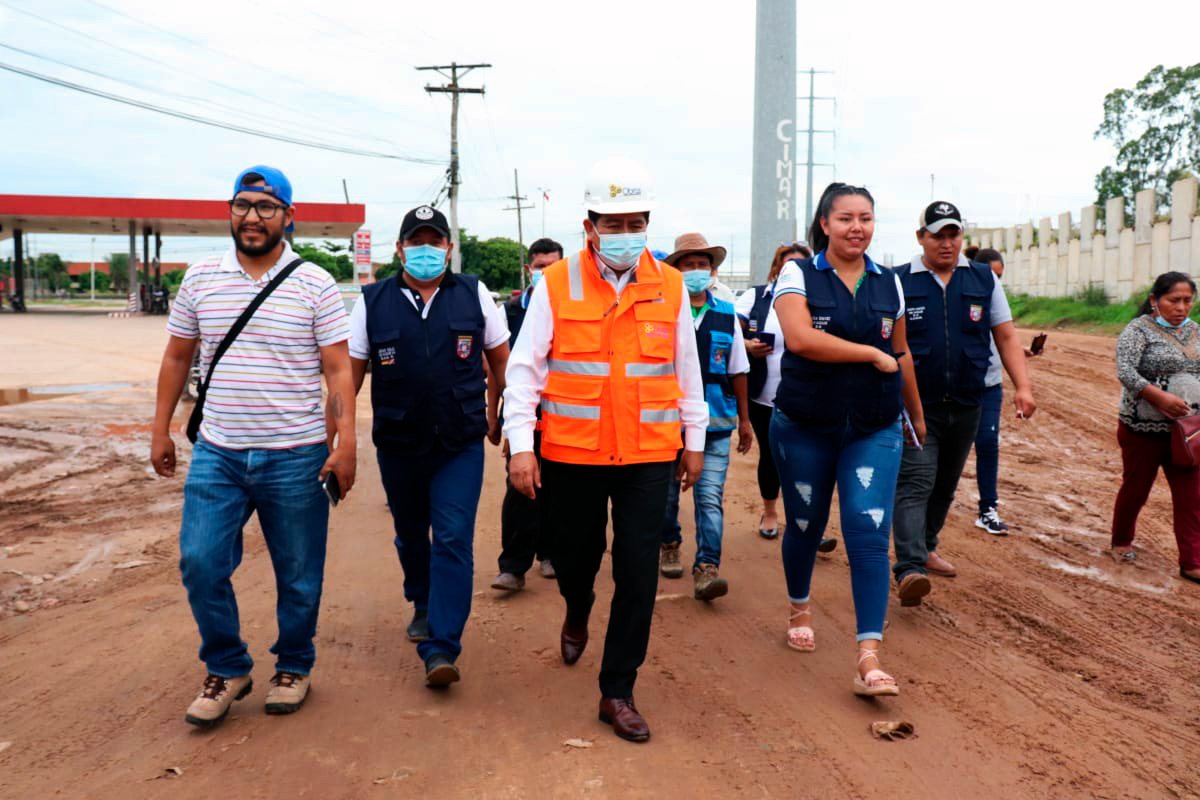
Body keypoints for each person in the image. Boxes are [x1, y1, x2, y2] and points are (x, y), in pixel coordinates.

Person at [504, 157, 708, 743]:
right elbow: (524, 371)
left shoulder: (668, 284)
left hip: (647, 453)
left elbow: (685, 370)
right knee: (576, 557)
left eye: (635, 221)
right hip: (573, 452)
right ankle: (576, 605)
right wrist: (523, 447)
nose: (624, 234)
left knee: (638, 571)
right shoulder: (556, 281)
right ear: (589, 225)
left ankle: (617, 689)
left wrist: (693, 440)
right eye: (612, 223)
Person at [150, 166, 356, 726]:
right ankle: (227, 665)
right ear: (230, 211)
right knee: (200, 561)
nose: (252, 218)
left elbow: (338, 368)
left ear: (289, 217)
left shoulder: (315, 283)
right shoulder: (200, 278)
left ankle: (294, 664)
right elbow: (177, 355)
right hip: (218, 451)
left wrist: (347, 442)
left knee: (298, 573)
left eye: (266, 208)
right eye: (242, 206)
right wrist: (161, 427)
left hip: (296, 454)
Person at [345, 205, 510, 688]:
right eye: (416, 242)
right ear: (399, 250)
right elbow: (347, 376)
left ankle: (442, 646)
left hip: (459, 441)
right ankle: (421, 597)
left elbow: (502, 363)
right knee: (411, 534)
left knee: (454, 536)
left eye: (434, 242)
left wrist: (505, 417)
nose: (426, 250)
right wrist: (339, 438)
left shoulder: (473, 293)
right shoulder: (372, 302)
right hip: (399, 444)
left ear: (448, 248)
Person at [770, 182, 925, 697]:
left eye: (866, 218)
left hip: (874, 425)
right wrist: (869, 355)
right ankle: (798, 606)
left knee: (865, 527)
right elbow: (799, 339)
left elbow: (900, 354)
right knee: (807, 524)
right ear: (824, 224)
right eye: (844, 219)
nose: (856, 227)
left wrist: (915, 414)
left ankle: (868, 655)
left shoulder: (890, 284)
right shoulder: (798, 273)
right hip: (805, 423)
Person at [892, 202, 1036, 606]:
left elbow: (1006, 337)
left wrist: (1022, 386)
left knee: (945, 484)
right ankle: (909, 569)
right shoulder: (899, 282)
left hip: (969, 401)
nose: (946, 242)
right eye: (937, 234)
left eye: (953, 234)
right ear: (921, 237)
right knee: (916, 482)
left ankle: (927, 546)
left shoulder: (983, 281)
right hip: (917, 406)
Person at [657, 232, 753, 601]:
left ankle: (707, 567)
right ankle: (669, 543)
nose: (697, 271)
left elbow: (738, 370)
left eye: (703, 265)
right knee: (666, 496)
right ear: (676, 270)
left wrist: (744, 421)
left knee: (709, 497)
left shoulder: (727, 316)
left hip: (716, 422)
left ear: (712, 271)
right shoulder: (662, 311)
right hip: (668, 422)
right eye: (689, 265)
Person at [736, 242, 835, 554]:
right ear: (777, 268)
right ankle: (769, 513)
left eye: (801, 265)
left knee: (811, 463)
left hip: (812, 396)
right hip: (765, 397)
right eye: (788, 264)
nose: (794, 270)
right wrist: (747, 345)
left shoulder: (820, 300)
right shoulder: (756, 296)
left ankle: (808, 524)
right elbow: (730, 330)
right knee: (773, 457)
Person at [1112, 272, 1200, 582]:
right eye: (1173, 300)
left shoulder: (1196, 332)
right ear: (1154, 300)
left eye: (1188, 300)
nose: (1181, 307)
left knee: (1192, 498)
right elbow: (1125, 371)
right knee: (1136, 490)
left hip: (1188, 434)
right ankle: (1121, 540)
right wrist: (1158, 397)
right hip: (1142, 430)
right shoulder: (1138, 330)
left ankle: (1192, 561)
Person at [493, 237, 564, 591]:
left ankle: (549, 553)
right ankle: (513, 565)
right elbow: (500, 367)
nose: (546, 273)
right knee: (520, 483)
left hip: (565, 413)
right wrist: (500, 417)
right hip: (525, 413)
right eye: (540, 267)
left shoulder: (572, 308)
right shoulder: (511, 312)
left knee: (556, 485)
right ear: (529, 270)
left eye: (553, 266)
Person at [970, 248, 1040, 535]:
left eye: (1000, 276)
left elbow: (1002, 336)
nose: (996, 281)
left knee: (987, 444)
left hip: (988, 385)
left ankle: (988, 509)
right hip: (951, 387)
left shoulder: (994, 296)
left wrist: (1021, 355)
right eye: (993, 275)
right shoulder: (962, 293)